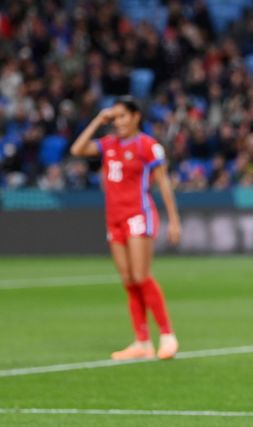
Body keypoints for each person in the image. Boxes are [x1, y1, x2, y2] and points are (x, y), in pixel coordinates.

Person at [70, 96, 181, 360]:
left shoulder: (147, 146)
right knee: (129, 280)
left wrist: (174, 220)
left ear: (135, 116)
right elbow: (77, 149)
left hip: (138, 215)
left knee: (142, 276)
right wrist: (98, 119)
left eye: (122, 116)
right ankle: (142, 342)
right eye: (115, 117)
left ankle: (167, 336)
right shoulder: (109, 144)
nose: (117, 121)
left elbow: (163, 183)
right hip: (114, 218)